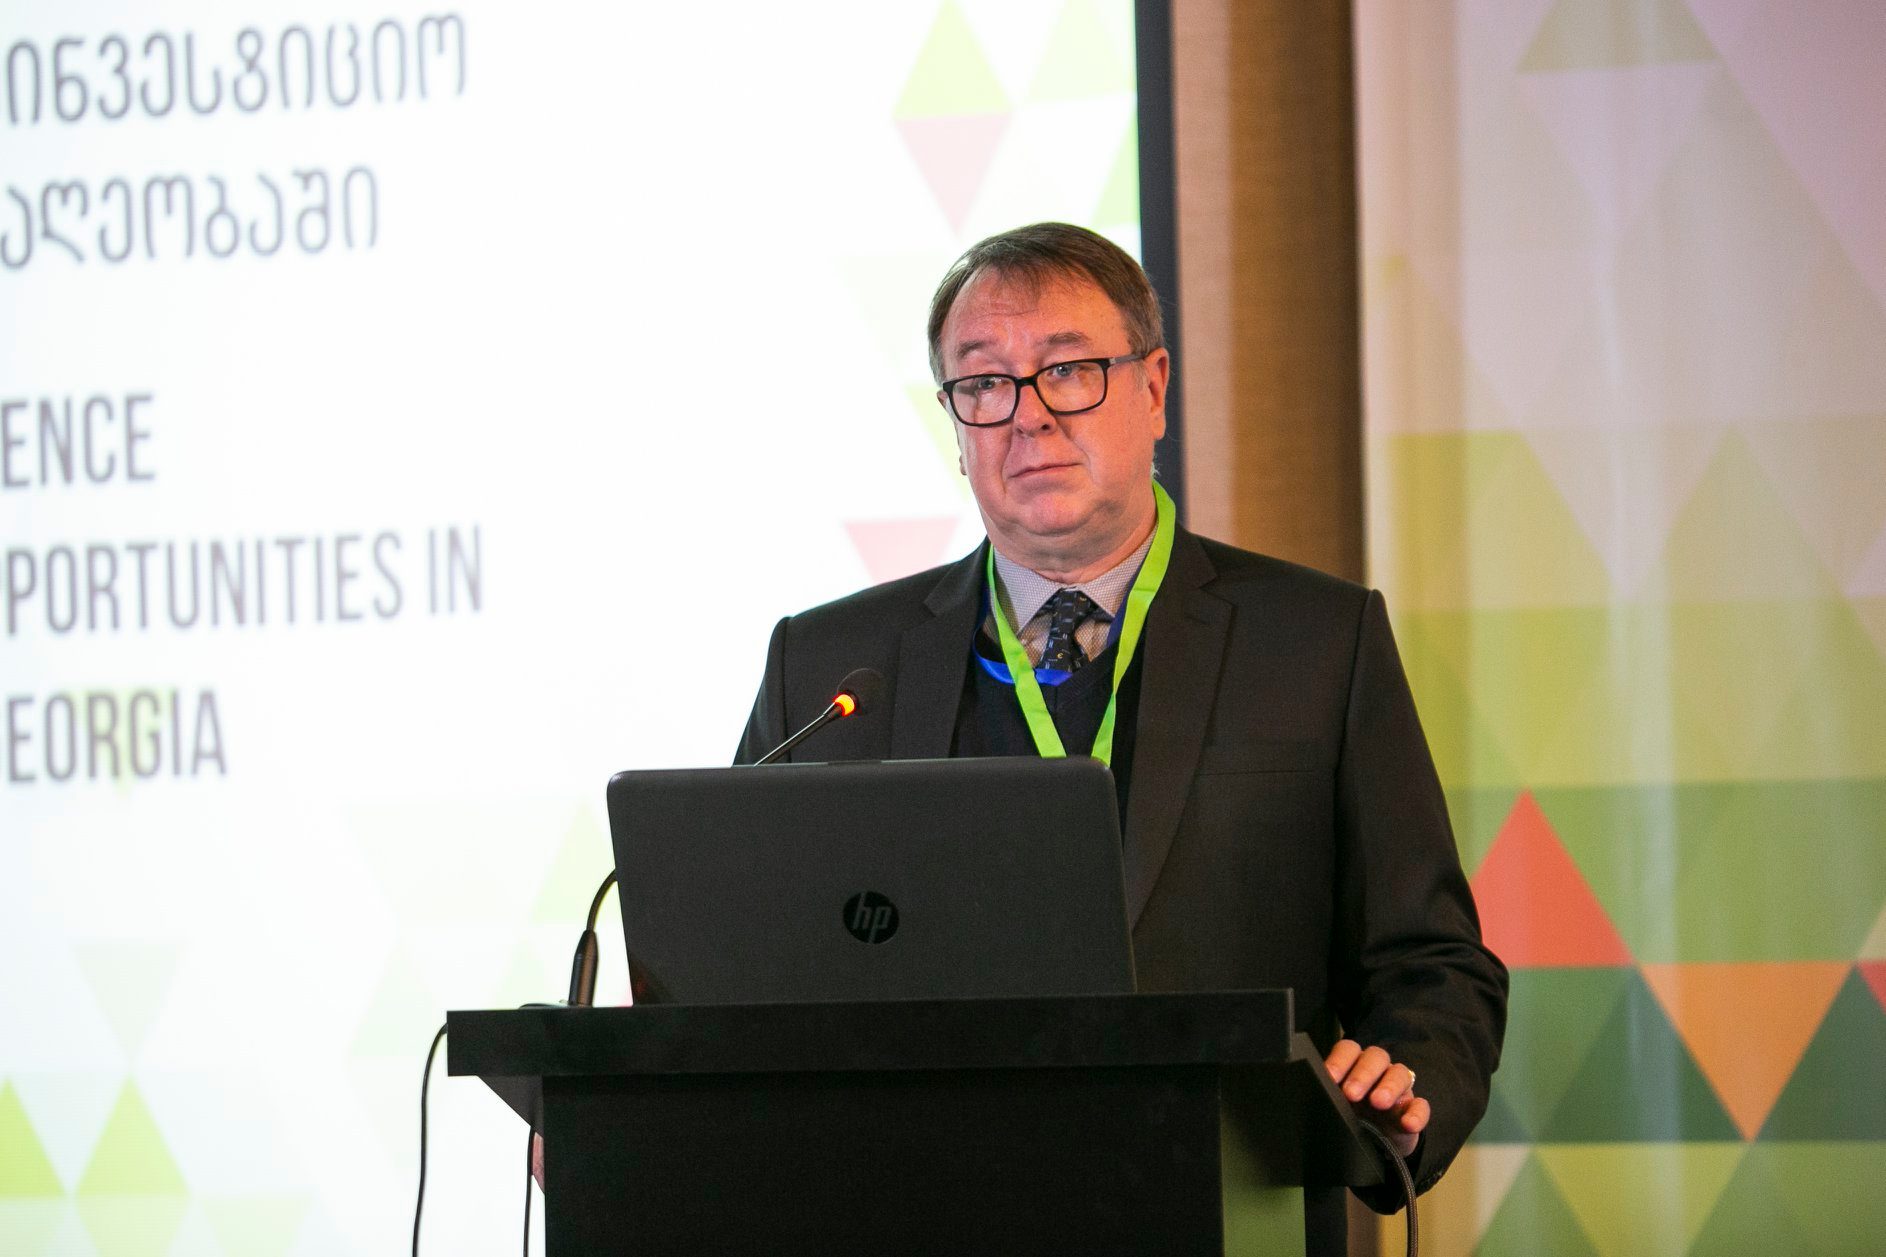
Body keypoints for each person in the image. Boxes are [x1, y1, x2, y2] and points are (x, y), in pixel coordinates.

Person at [735, 222, 1506, 1253]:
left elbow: (1429, 960)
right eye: (984, 383)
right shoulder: (828, 666)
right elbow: (731, 966)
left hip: (1222, 1215)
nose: (1028, 415)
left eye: (1068, 371)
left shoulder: (1317, 642)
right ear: (954, 424)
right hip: (905, 1216)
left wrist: (1400, 1079)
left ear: (1153, 389)